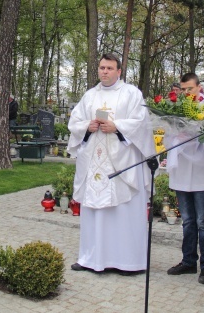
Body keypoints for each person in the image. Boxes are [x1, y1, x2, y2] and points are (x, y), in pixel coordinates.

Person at [67, 53, 155, 274]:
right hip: (95, 160)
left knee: (122, 213)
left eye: (109, 68)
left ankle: (127, 262)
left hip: (121, 163)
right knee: (95, 213)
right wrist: (88, 125)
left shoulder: (132, 94)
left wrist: (117, 127)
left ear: (119, 71)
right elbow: (74, 122)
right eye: (102, 68)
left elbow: (141, 123)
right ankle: (91, 259)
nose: (104, 71)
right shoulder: (89, 96)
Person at [166, 72, 204, 284]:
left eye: (190, 89)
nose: (187, 93)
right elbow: (168, 135)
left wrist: (196, 133)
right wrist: (175, 134)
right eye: (184, 89)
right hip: (182, 168)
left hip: (201, 170)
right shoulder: (178, 106)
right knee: (187, 220)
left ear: (199, 87)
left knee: (203, 221)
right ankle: (188, 261)